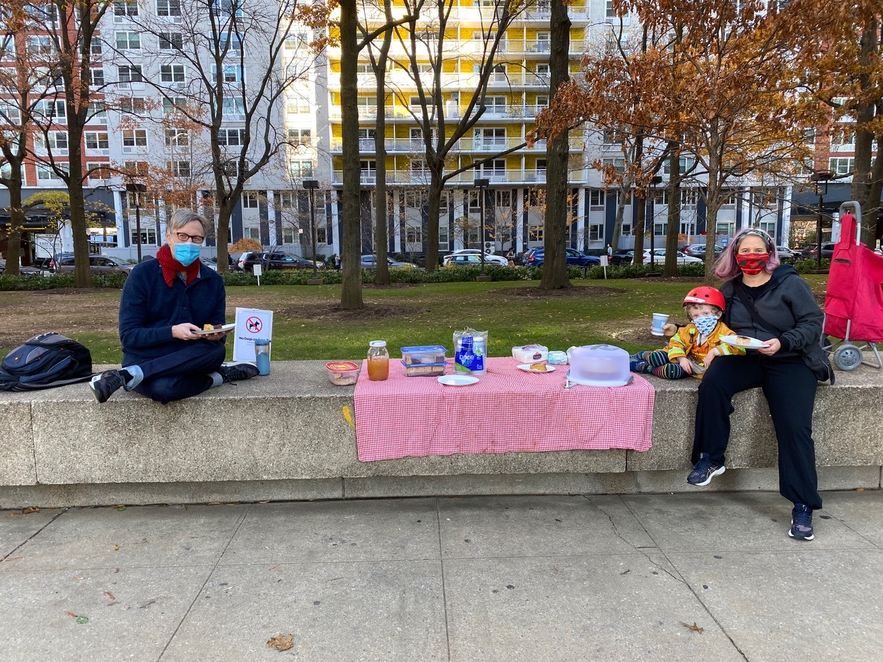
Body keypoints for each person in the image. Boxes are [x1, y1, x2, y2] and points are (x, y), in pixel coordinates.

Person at [687, 228, 828, 542]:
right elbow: (714, 323)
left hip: (790, 359)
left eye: (757, 250)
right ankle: (710, 458)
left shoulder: (791, 283)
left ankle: (803, 504)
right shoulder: (730, 289)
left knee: (794, 427)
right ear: (736, 256)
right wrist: (710, 344)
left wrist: (783, 342)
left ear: (770, 253)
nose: (751, 257)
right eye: (745, 251)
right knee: (713, 383)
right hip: (748, 356)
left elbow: (812, 322)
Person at [89, 210, 259, 404]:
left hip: (193, 357)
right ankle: (221, 376)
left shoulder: (213, 281)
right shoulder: (142, 275)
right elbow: (129, 336)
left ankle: (128, 376)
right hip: (146, 356)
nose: (189, 242)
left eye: (196, 238)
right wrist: (172, 332)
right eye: (183, 236)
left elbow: (216, 326)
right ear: (169, 237)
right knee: (165, 389)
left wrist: (217, 334)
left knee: (215, 351)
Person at [630, 287, 744, 379]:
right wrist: (681, 358)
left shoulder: (724, 332)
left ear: (718, 314)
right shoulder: (691, 329)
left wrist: (715, 351)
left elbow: (739, 346)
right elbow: (676, 342)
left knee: (671, 371)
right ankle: (638, 356)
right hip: (684, 359)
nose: (701, 319)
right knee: (657, 357)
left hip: (696, 369)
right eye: (696, 316)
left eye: (706, 314)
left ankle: (645, 367)